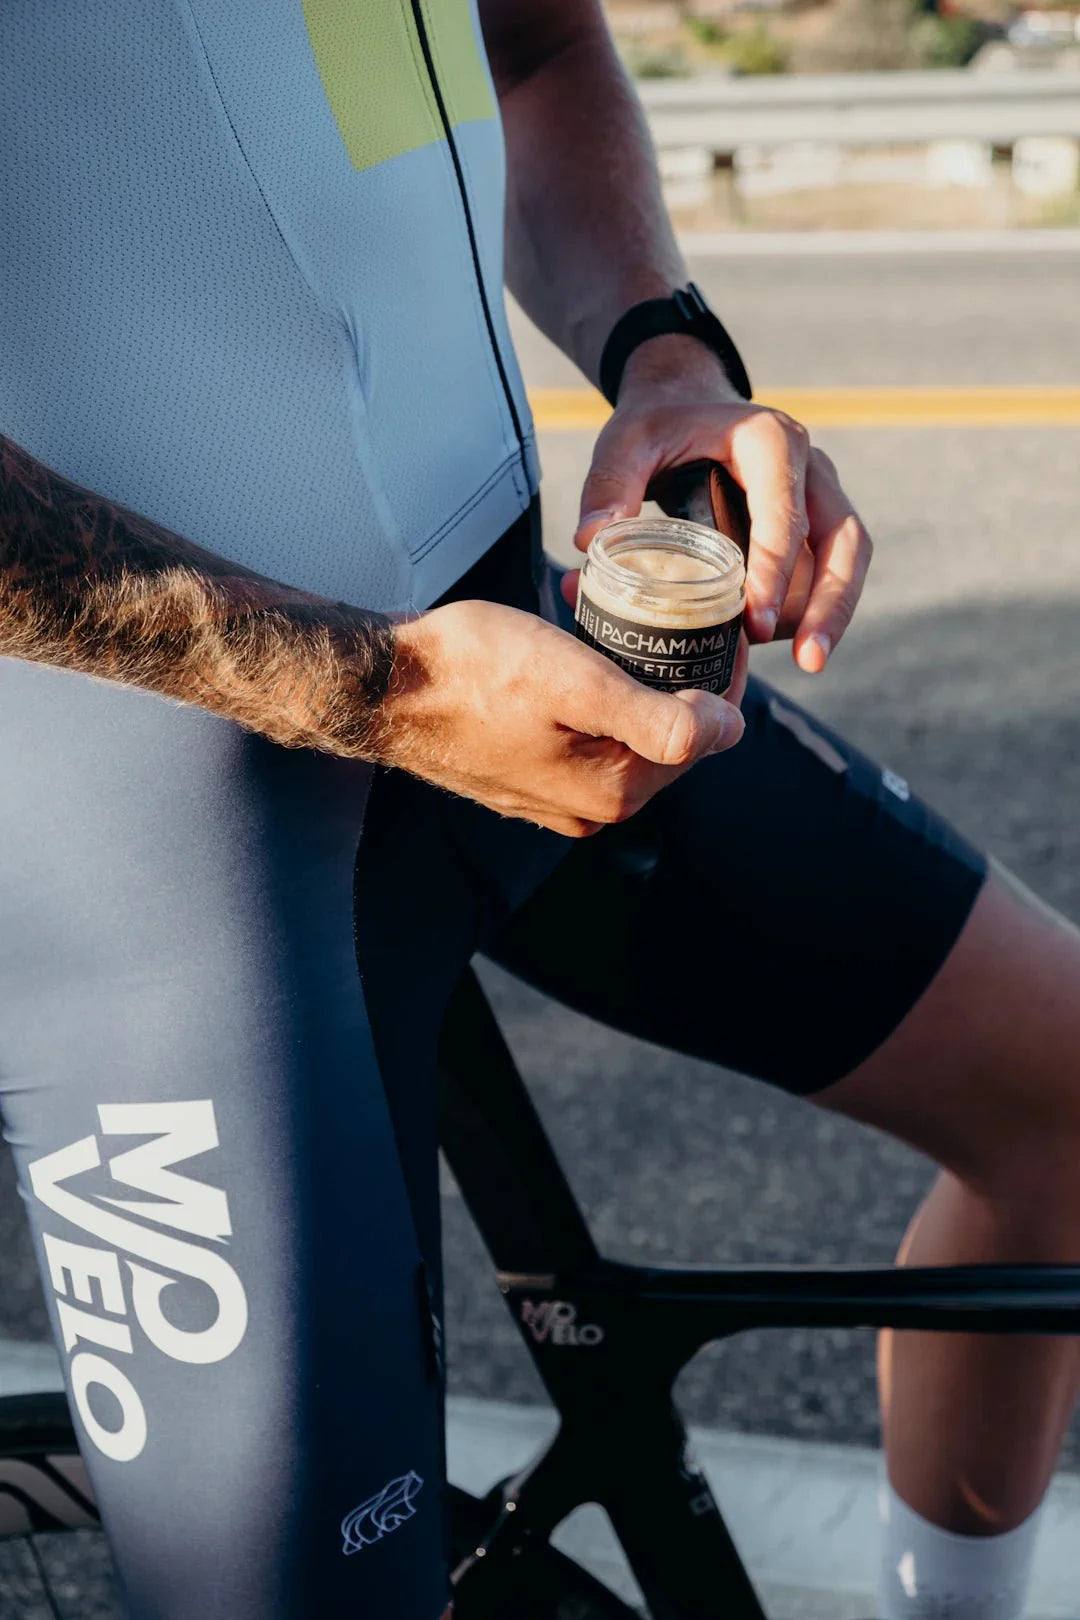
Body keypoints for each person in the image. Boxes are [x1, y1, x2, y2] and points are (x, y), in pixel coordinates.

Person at [0, 4, 1076, 1617]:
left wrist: (668, 352)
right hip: (156, 822)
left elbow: (536, 51)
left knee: (1058, 1098)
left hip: (510, 658)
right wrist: (383, 693)